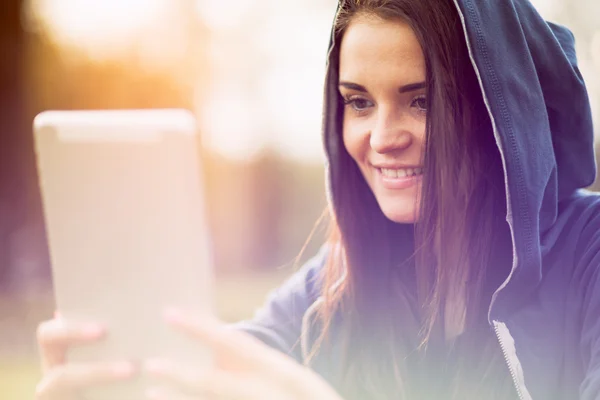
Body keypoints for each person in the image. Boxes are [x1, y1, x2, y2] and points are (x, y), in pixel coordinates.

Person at [35, 0, 599, 399]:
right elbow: (219, 367)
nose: (381, 137)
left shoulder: (589, 254)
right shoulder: (328, 290)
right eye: (358, 102)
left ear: (497, 114)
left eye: (421, 101)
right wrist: (124, 369)